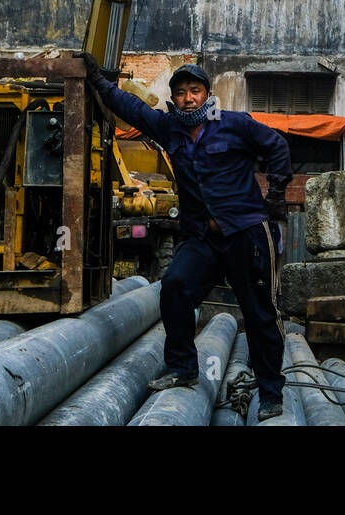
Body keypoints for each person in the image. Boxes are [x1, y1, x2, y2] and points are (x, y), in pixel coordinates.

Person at [83, 55, 293, 421]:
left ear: (207, 95)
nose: (187, 98)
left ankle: (271, 390)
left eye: (195, 91)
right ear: (174, 99)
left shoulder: (235, 125)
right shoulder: (170, 130)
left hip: (246, 233)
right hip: (201, 237)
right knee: (175, 285)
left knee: (260, 312)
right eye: (180, 93)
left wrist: (276, 192)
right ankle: (182, 366)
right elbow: (131, 108)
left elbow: (277, 145)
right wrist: (99, 82)